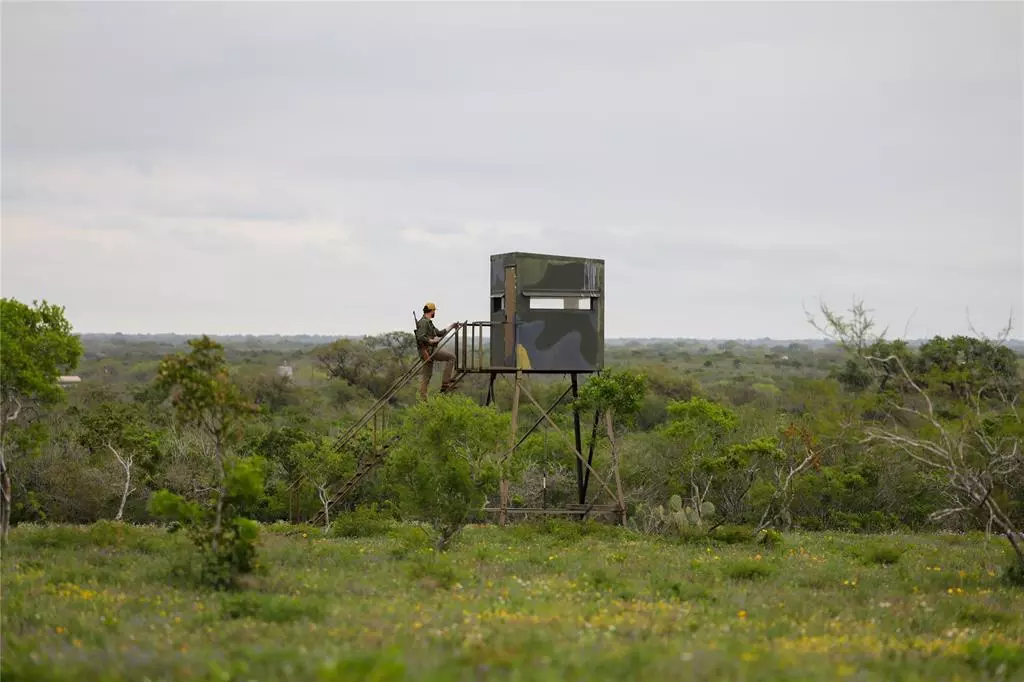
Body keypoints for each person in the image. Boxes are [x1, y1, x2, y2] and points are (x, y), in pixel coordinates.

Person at [415, 302, 459, 399]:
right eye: (434, 311)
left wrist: (451, 326)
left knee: (427, 376)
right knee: (452, 357)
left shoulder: (428, 322)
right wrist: (431, 340)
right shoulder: (424, 322)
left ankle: (423, 400)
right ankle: (445, 383)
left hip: (428, 351)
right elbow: (420, 337)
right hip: (429, 351)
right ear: (431, 311)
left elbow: (439, 333)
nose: (435, 313)